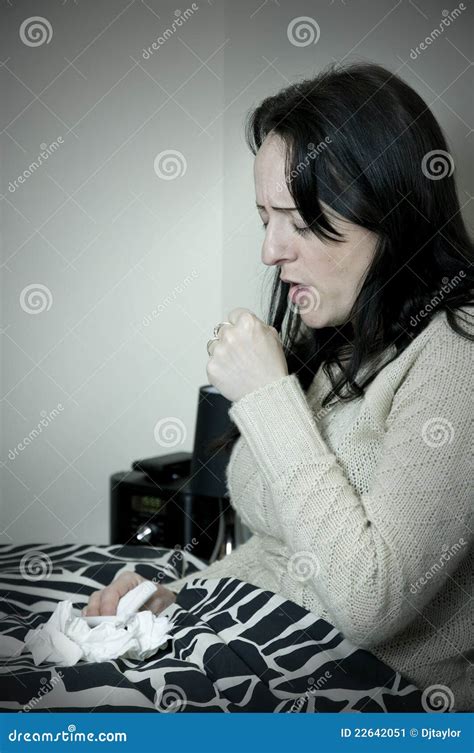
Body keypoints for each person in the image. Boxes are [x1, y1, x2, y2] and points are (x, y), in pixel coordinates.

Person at [85, 61, 474, 711]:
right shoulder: (348, 337)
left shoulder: (456, 356)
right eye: (264, 217)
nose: (269, 250)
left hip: (387, 703)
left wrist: (267, 396)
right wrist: (179, 598)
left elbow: (370, 602)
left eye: (295, 219)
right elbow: (279, 547)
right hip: (267, 658)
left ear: (386, 207)